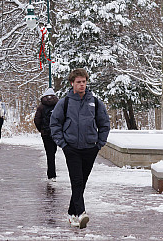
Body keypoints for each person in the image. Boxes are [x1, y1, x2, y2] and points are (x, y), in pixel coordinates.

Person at [50, 68, 110, 229]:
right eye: (78, 82)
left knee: (81, 182)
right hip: (72, 148)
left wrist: (99, 143)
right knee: (76, 181)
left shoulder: (95, 102)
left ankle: (71, 214)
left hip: (90, 148)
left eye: (84, 82)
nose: (82, 85)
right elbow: (54, 124)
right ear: (72, 83)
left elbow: (104, 124)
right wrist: (63, 144)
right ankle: (81, 213)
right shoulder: (65, 102)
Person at [33, 87, 60, 180]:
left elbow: (37, 119)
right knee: (53, 151)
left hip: (46, 133)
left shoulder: (41, 106)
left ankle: (51, 174)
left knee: (49, 153)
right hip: (56, 132)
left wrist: (41, 129)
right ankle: (53, 174)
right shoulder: (58, 105)